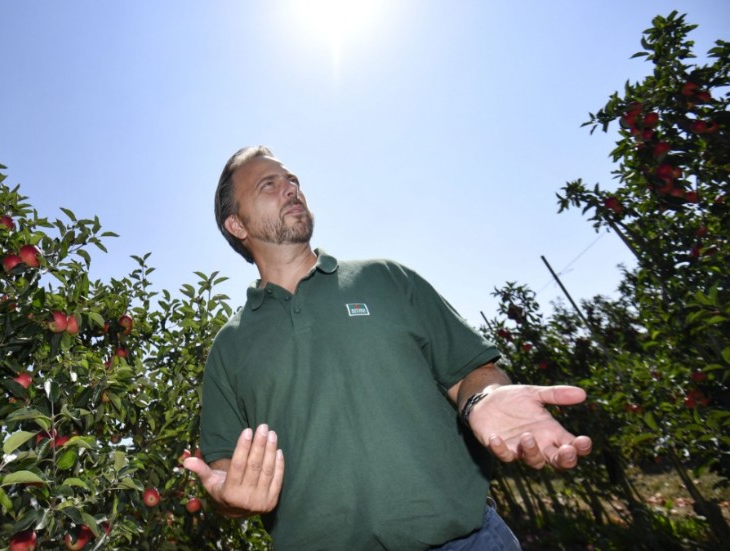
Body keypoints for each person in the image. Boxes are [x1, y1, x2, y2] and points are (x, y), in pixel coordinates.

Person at [182, 146, 594, 550]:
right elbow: (224, 470)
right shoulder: (230, 347)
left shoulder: (386, 280)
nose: (291, 188)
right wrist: (226, 498)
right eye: (268, 185)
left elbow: (471, 372)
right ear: (237, 225)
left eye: (292, 180)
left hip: (465, 542)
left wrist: (483, 397)